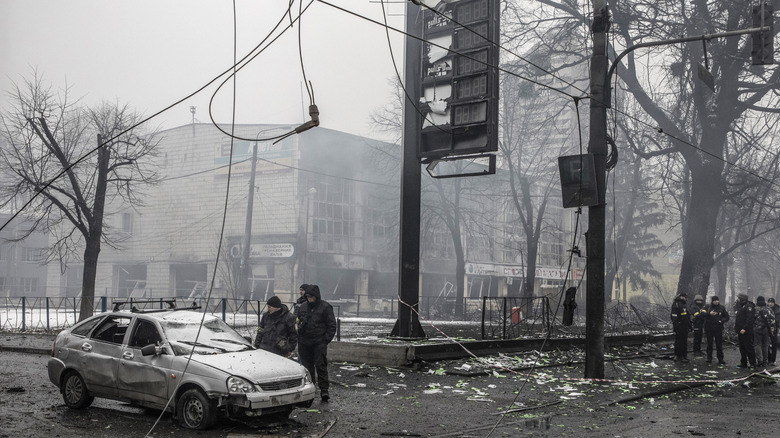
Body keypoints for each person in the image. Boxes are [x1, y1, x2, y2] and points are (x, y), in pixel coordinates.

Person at [297, 284, 337, 402]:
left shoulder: (325, 307)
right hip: (305, 342)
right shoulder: (303, 307)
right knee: (307, 367)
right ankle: (310, 389)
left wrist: (325, 340)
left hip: (319, 342)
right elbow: (298, 322)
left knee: (321, 365)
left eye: (311, 297)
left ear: (316, 296)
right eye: (308, 297)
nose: (310, 299)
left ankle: (324, 390)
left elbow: (331, 325)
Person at [704, 295, 729, 365]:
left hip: (718, 328)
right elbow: (702, 314)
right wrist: (709, 313)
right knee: (709, 344)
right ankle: (709, 358)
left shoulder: (721, 308)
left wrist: (722, 320)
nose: (716, 302)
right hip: (709, 328)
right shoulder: (708, 307)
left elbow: (727, 317)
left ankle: (720, 358)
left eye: (717, 300)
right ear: (712, 301)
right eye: (715, 300)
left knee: (719, 344)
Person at [734, 293, 757, 369]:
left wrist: (744, 328)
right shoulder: (741, 306)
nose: (737, 299)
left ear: (742, 298)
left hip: (746, 331)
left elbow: (750, 319)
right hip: (740, 331)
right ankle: (743, 363)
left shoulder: (749, 307)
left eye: (738, 298)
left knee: (749, 347)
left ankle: (752, 363)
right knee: (742, 348)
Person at [753, 296, 775, 368]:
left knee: (757, 344)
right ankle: (765, 361)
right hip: (766, 329)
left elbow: (751, 318)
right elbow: (773, 319)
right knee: (765, 345)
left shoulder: (755, 309)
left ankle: (760, 360)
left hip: (756, 328)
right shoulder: (768, 309)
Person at [670, 292, 691, 363]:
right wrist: (676, 325)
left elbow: (686, 316)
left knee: (682, 341)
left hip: (684, 326)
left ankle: (682, 356)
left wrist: (689, 325)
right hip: (680, 326)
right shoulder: (677, 304)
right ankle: (679, 356)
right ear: (682, 297)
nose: (686, 299)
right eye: (685, 297)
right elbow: (674, 316)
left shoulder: (683, 304)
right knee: (680, 341)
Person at [768, 297, 780, 365]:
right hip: (767, 328)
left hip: (774, 328)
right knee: (766, 344)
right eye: (769, 302)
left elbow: (777, 320)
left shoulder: (777, 310)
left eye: (771, 302)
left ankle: (773, 359)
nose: (770, 304)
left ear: (774, 303)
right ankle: (769, 358)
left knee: (774, 344)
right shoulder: (767, 309)